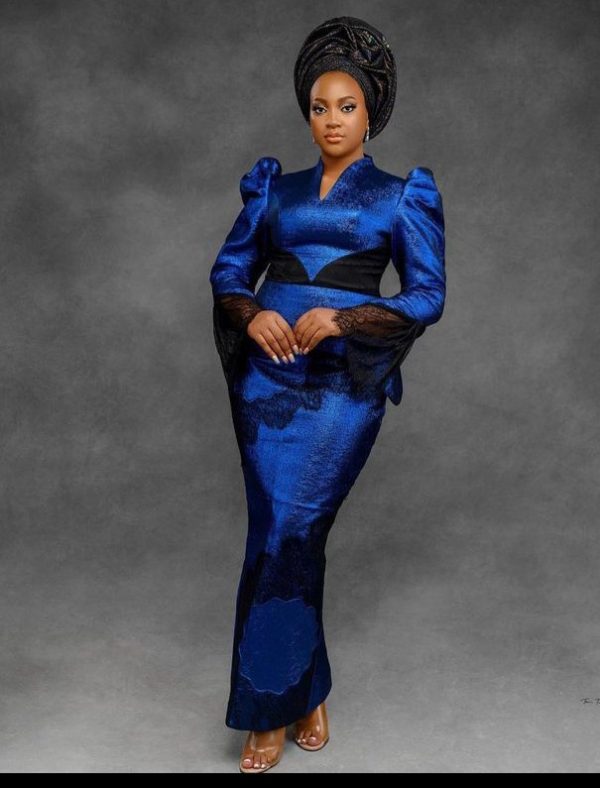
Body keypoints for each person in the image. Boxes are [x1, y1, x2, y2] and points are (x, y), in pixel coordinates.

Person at [209, 16, 446, 773]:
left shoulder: (403, 195)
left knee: (295, 529)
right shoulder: (273, 190)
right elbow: (229, 271)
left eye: (347, 106)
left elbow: (428, 295)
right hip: (268, 381)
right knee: (274, 531)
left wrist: (341, 319)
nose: (332, 120)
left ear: (370, 114)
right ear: (307, 114)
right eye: (319, 107)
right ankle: (295, 695)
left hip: (343, 385)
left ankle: (271, 704)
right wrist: (253, 317)